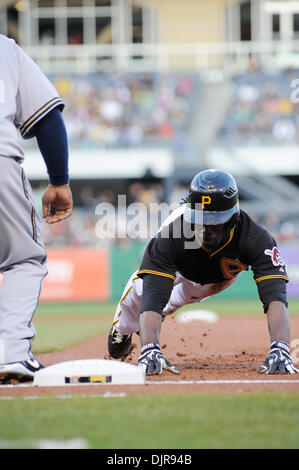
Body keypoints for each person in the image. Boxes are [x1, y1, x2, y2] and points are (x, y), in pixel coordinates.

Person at [108, 169, 298, 376]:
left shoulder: (256, 239)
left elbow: (275, 298)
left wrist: (280, 347)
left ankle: (155, 319)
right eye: (200, 219)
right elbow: (152, 296)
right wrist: (150, 348)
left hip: (216, 278)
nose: (206, 228)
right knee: (141, 288)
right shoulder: (173, 235)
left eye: (214, 222)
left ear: (233, 219)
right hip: (182, 262)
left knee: (180, 298)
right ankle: (122, 330)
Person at [0, 35, 72, 384]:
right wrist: (58, 182)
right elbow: (46, 118)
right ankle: (12, 354)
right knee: (23, 259)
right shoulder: (4, 48)